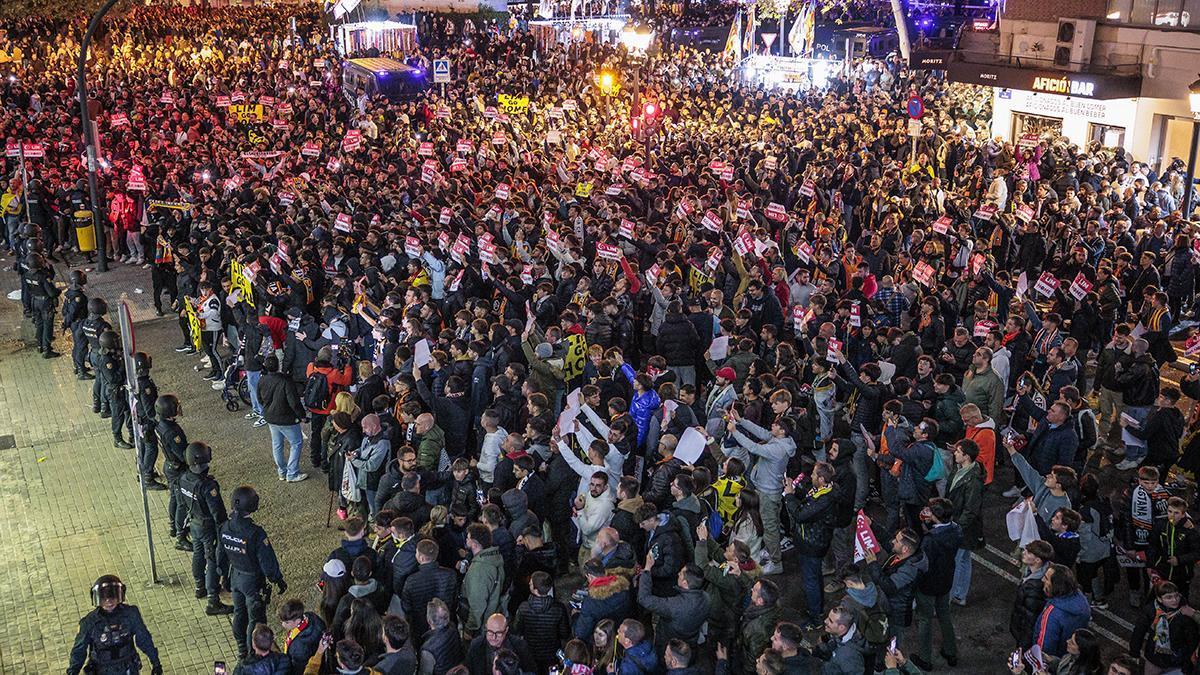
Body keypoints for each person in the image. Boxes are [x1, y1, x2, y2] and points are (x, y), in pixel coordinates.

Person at [218, 485, 288, 660]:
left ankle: (241, 648)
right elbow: (267, 561)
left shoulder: (225, 527)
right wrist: (277, 579)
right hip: (252, 582)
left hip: (235, 577)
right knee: (255, 619)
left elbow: (220, 555)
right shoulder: (256, 533)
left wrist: (223, 575)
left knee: (239, 613)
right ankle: (251, 653)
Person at [67, 575, 163, 675]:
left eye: (113, 596)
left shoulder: (130, 615)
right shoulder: (89, 622)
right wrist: (73, 670)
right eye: (104, 598)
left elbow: (144, 639)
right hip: (101, 669)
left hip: (127, 667)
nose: (109, 601)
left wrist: (155, 662)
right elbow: (79, 649)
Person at [179, 441, 233, 615]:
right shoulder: (208, 485)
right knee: (212, 560)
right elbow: (218, 512)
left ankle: (199, 586)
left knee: (198, 553)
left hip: (194, 523)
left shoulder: (183, 478)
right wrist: (225, 529)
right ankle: (213, 600)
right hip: (208, 527)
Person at [782, 461, 836, 626]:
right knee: (815, 576)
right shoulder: (823, 491)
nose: (810, 476)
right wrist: (795, 489)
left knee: (810, 580)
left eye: (813, 474)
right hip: (813, 542)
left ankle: (816, 619)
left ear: (820, 479)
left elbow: (801, 514)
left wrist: (789, 496)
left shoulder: (824, 500)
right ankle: (817, 608)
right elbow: (808, 499)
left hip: (811, 545)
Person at [911, 497, 962, 671]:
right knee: (944, 616)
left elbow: (924, 564)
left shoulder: (931, 539)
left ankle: (925, 658)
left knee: (924, 619)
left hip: (929, 584)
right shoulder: (956, 530)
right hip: (946, 579)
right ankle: (950, 651)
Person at [864, 528, 928, 647]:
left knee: (893, 643)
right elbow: (887, 541)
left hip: (896, 612)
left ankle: (893, 662)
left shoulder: (910, 569)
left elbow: (889, 587)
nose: (893, 541)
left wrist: (873, 565)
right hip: (889, 606)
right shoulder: (903, 555)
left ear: (905, 549)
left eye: (897, 540)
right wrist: (872, 525)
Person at [636, 560, 709, 652]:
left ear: (685, 583)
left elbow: (644, 599)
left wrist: (647, 570)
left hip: (668, 644)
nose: (678, 574)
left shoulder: (675, 605)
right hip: (691, 641)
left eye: (681, 574)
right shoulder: (706, 597)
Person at [1128, 581, 1200, 674]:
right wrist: (1134, 653)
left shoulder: (1186, 613)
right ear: (1159, 599)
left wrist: (1187, 665)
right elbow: (1139, 632)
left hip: (1176, 661)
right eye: (1169, 597)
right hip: (1154, 659)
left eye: (1176, 595)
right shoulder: (1151, 610)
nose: (1175, 600)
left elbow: (1192, 640)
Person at [258, 355, 308, 483]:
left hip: (271, 418)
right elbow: (294, 402)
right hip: (286, 419)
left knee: (277, 445)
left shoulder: (262, 380)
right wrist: (302, 416)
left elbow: (259, 398)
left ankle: (282, 471)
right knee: (296, 443)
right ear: (278, 366)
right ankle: (292, 473)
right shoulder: (285, 381)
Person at [948, 439, 985, 607]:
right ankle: (960, 594)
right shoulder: (961, 470)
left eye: (958, 451)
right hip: (962, 525)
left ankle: (948, 597)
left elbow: (970, 509)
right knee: (963, 559)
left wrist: (956, 527)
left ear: (967, 456)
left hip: (963, 527)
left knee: (954, 562)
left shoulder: (973, 480)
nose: (955, 453)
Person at [512, 571, 571, 674]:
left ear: (535, 589)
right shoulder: (559, 608)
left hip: (530, 654)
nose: (529, 584)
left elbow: (516, 630)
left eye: (530, 583)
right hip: (552, 655)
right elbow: (565, 633)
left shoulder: (523, 607)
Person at [1032, 564, 1092, 658]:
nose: (1042, 580)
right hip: (1069, 657)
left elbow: (1044, 647)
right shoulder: (1081, 599)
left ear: (1056, 585)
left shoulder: (1052, 615)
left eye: (1046, 578)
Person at [155, 394, 191, 551]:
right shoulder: (172, 432)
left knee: (174, 499)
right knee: (181, 502)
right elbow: (182, 454)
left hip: (169, 467)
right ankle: (180, 537)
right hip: (177, 469)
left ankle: (173, 526)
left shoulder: (161, 425)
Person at [461, 523, 506, 636]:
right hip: (493, 614)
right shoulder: (495, 558)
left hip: (482, 627)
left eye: (468, 537)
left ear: (475, 544)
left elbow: (477, 606)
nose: (466, 538)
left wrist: (469, 628)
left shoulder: (479, 570)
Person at [1010, 540, 1054, 650]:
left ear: (1038, 560)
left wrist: (1023, 644)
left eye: (1029, 553)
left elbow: (1030, 622)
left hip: (1025, 636)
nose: (1024, 553)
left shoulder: (1035, 589)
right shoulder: (1036, 573)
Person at [464, 613, 536, 675]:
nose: (493, 637)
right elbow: (469, 669)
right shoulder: (476, 645)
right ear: (486, 627)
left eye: (498, 633)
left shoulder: (519, 646)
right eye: (490, 632)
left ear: (506, 630)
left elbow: (530, 670)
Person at [812, 606, 867, 675]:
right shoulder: (841, 632)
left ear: (841, 627)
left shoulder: (849, 656)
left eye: (830, 621)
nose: (825, 621)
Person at [279, 599, 327, 675]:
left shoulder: (298, 648)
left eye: (287, 622)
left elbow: (298, 669)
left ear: (297, 621)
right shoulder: (310, 616)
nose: (283, 625)